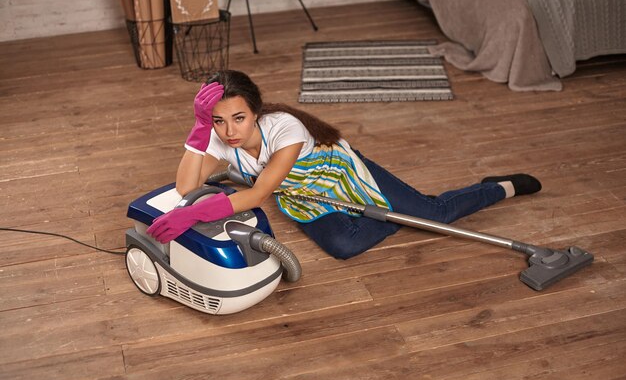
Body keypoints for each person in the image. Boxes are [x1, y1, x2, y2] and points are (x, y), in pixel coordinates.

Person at [147, 70, 542, 259]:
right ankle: (395, 216)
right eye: (218, 120)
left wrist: (195, 213)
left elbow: (259, 193)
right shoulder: (215, 135)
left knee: (435, 213)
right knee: (343, 245)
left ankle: (498, 186)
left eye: (238, 118)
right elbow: (186, 185)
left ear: (256, 113)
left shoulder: (285, 128)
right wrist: (200, 129)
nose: (229, 131)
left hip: (348, 176)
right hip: (305, 196)